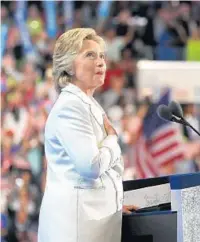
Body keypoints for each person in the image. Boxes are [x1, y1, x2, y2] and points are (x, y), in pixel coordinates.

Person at [38, 28, 137, 242]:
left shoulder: (87, 103)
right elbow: (90, 167)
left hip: (93, 223)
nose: (101, 62)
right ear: (68, 65)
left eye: (102, 55)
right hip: (76, 229)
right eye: (90, 55)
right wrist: (112, 141)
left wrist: (114, 206)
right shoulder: (70, 107)